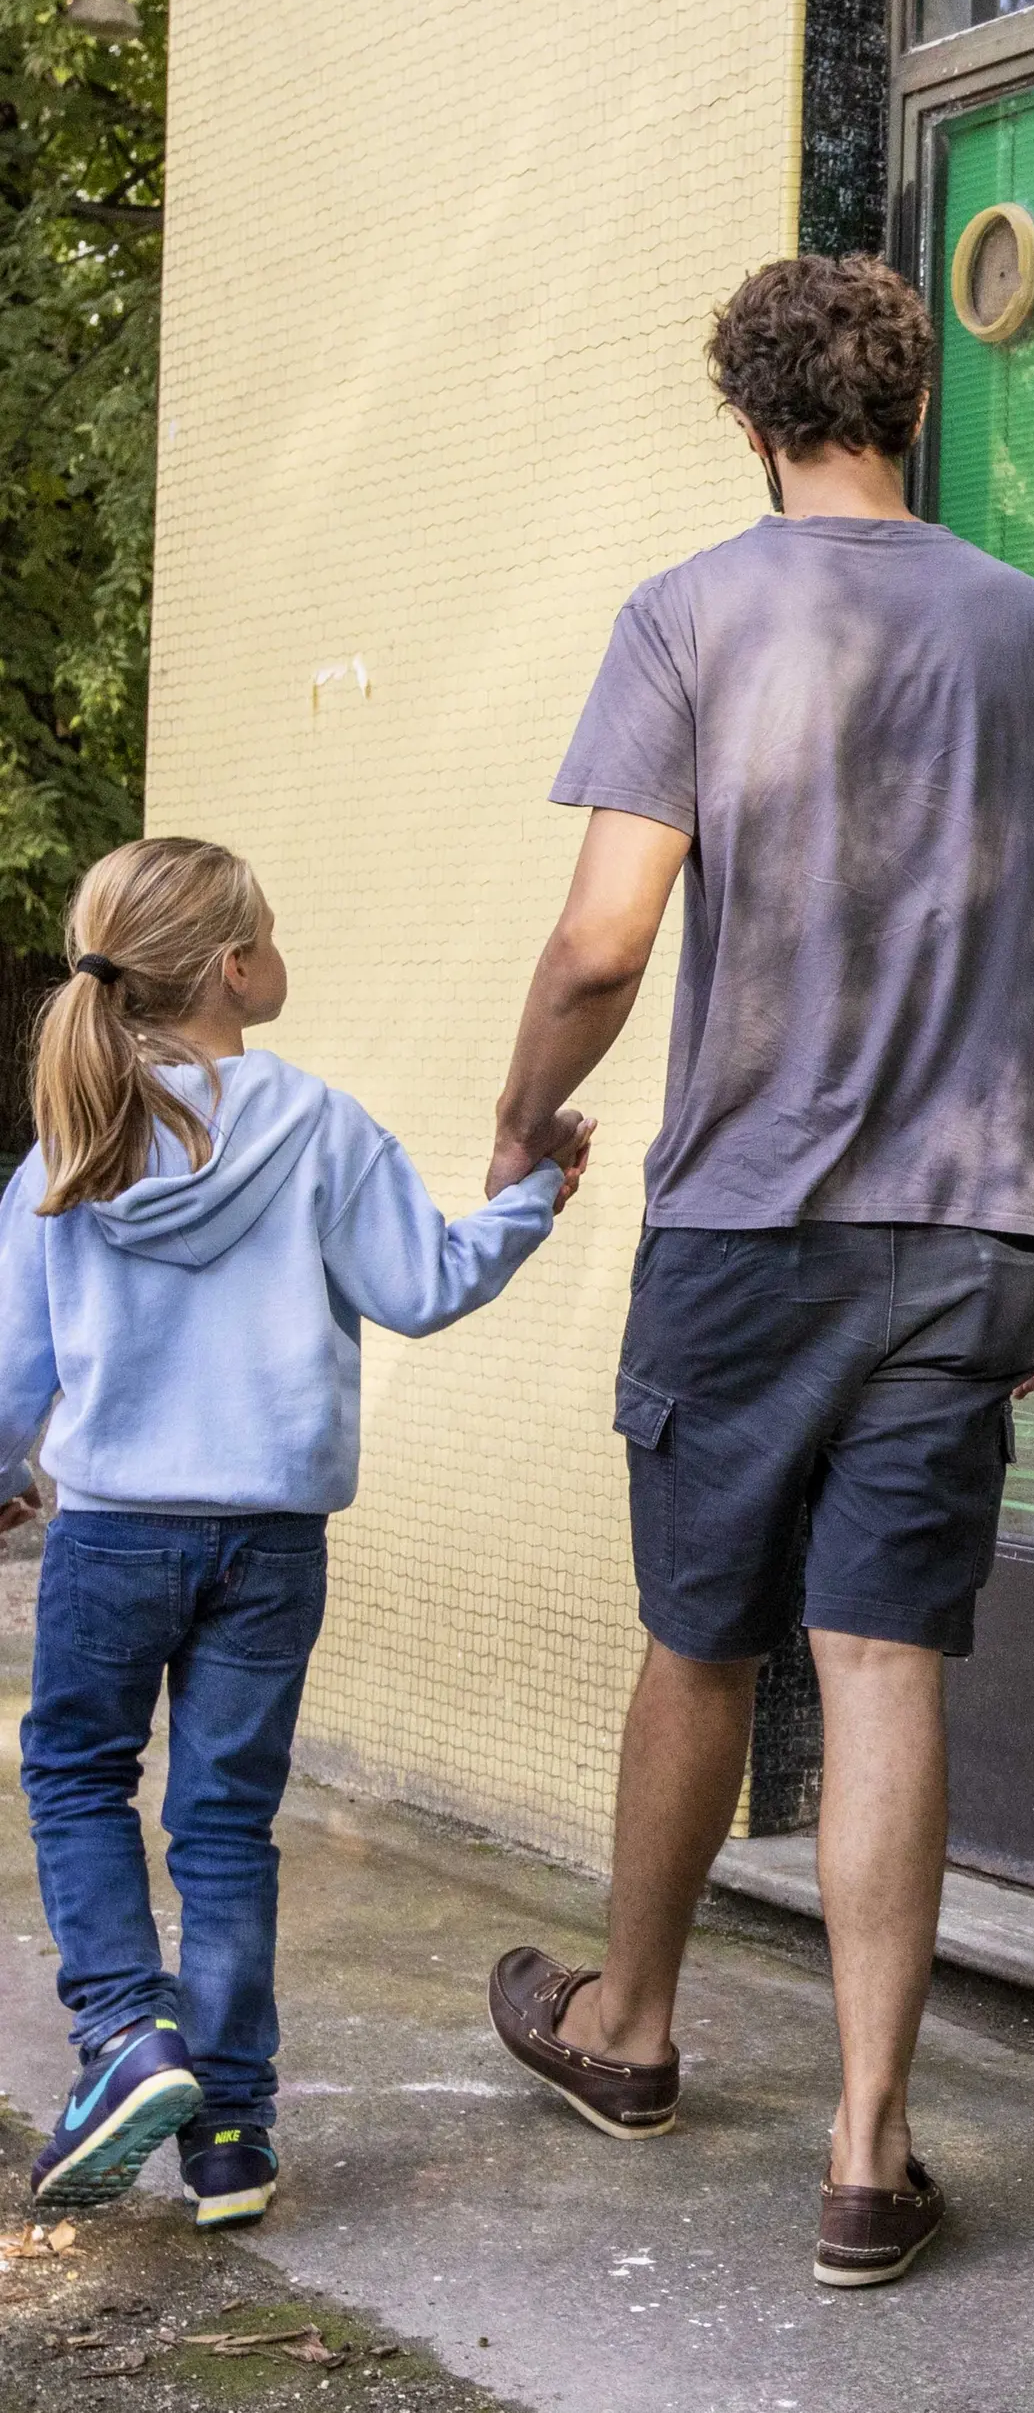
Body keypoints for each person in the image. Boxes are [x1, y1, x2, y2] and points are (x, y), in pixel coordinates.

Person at [482, 252, 1034, 2290]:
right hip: (957, 1230)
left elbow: (605, 941)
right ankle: (868, 2145)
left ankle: (636, 2027)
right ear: (909, 408)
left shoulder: (688, 616)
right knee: (883, 1663)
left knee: (701, 1639)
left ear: (751, 419)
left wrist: (519, 1114)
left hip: (745, 1229)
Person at [3, 838, 587, 2225]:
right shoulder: (320, 1125)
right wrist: (526, 1202)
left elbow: (11, 1360)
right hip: (269, 1542)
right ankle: (234, 2137)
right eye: (269, 929)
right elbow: (423, 1285)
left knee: (79, 1774)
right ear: (232, 969)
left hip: (113, 1536)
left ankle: (124, 2036)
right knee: (224, 1824)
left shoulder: (66, 1149)